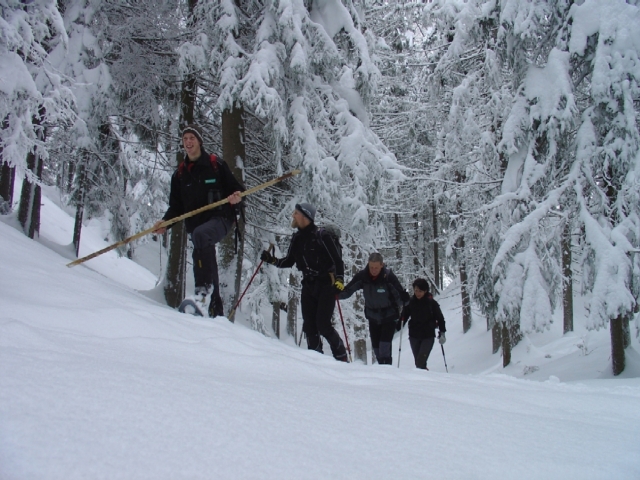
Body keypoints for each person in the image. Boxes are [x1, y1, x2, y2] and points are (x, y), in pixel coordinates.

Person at [154, 124, 244, 317]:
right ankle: (214, 308)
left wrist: (237, 196)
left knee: (201, 235)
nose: (188, 142)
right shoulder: (179, 175)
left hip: (221, 218)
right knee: (203, 251)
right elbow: (176, 208)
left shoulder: (215, 165)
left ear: (199, 141)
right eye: (185, 139)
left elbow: (236, 188)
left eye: (192, 138)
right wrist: (165, 224)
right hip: (197, 227)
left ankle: (202, 293)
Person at [260, 203, 349, 362]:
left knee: (323, 325)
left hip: (326, 285)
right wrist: (271, 260)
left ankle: (342, 358)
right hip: (308, 285)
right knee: (309, 326)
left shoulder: (322, 236)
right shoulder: (297, 238)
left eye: (296, 213)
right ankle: (317, 360)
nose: (293, 215)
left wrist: (340, 280)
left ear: (305, 216)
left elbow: (338, 261)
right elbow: (288, 261)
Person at [339, 253, 410, 365]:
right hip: (372, 316)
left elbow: (399, 293)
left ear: (382, 265)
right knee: (376, 348)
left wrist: (405, 300)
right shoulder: (363, 276)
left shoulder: (388, 276)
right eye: (371, 267)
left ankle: (387, 371)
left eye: (376, 267)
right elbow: (349, 290)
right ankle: (382, 371)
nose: (373, 270)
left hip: (389, 316)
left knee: (384, 347)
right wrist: (335, 294)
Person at [399, 278, 446, 370]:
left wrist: (442, 332)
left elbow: (440, 318)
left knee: (420, 361)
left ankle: (423, 380)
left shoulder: (432, 303)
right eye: (416, 290)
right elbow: (404, 317)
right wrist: (397, 326)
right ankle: (424, 380)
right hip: (414, 335)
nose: (417, 293)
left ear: (425, 291)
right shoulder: (410, 302)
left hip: (427, 336)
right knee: (418, 362)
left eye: (420, 291)